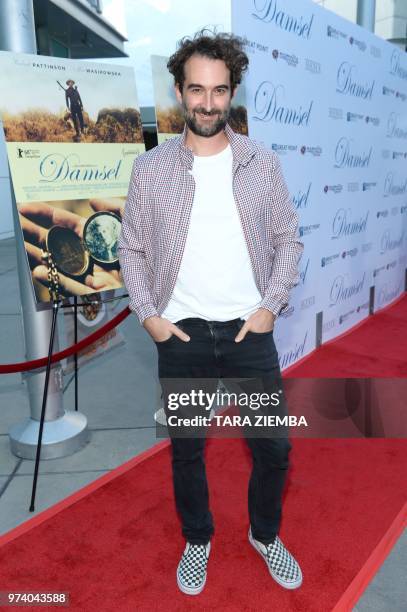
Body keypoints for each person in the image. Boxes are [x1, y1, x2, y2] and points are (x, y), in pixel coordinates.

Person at [117, 29, 304, 596]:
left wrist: (271, 306)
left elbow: (288, 242)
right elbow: (131, 249)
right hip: (183, 334)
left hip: (250, 330)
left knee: (274, 449)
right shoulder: (151, 169)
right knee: (187, 450)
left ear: (232, 93)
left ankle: (264, 534)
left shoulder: (261, 163)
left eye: (219, 91)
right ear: (179, 91)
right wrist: (149, 316)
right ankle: (198, 538)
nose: (207, 103)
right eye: (196, 90)